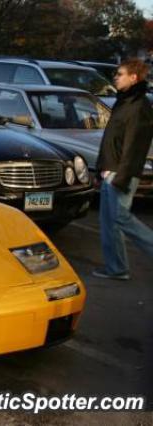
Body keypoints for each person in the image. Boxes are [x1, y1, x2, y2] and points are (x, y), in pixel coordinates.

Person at [93, 58, 153, 280]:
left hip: (121, 172)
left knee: (120, 218)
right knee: (108, 222)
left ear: (133, 77)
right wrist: (102, 169)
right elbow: (112, 139)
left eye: (120, 74)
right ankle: (117, 268)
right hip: (110, 170)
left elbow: (134, 148)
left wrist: (121, 176)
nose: (115, 77)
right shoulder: (125, 101)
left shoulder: (139, 107)